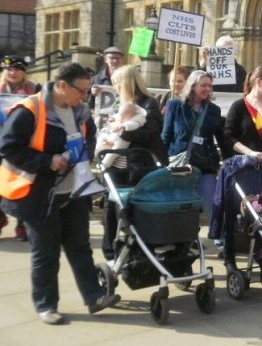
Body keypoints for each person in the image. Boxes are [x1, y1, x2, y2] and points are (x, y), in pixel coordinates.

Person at [0, 63, 120, 325]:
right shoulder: (30, 109)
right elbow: (8, 148)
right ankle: (46, 305)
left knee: (80, 247)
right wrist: (49, 161)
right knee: (46, 252)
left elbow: (90, 137)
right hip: (37, 194)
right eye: (81, 90)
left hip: (75, 190)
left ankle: (95, 297)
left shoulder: (81, 110)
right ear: (62, 85)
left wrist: (83, 153)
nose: (85, 96)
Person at [100, 65, 168, 261]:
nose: (114, 88)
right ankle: (110, 251)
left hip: (138, 165)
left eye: (117, 84)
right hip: (115, 163)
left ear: (127, 83)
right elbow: (109, 130)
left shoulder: (149, 104)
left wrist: (123, 129)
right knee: (111, 208)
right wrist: (107, 137)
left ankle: (139, 249)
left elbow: (151, 134)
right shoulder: (117, 104)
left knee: (136, 209)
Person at [219, 66, 262, 262]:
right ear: (258, 82)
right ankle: (231, 254)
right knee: (237, 208)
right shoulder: (238, 106)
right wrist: (250, 153)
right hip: (243, 167)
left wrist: (261, 108)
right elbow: (228, 137)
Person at [162, 70, 229, 222]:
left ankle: (221, 241)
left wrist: (227, 160)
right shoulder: (175, 105)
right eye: (203, 85)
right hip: (181, 163)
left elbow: (222, 138)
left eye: (210, 86)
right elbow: (166, 136)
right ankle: (186, 240)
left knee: (212, 203)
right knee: (184, 205)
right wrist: (161, 161)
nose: (207, 89)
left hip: (205, 163)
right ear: (192, 86)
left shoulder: (214, 110)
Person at [0, 55, 36, 241]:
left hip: (23, 143)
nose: (13, 72)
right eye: (9, 69)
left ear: (24, 72)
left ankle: (22, 225)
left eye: (17, 69)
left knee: (22, 185)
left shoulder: (33, 90)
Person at [95, 102, 147, 168]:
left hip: (123, 140)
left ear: (131, 115)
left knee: (113, 152)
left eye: (124, 116)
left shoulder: (138, 118)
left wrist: (123, 125)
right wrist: (111, 118)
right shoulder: (121, 115)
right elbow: (116, 116)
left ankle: (105, 164)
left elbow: (135, 124)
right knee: (101, 137)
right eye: (120, 115)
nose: (121, 118)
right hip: (114, 136)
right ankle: (97, 154)